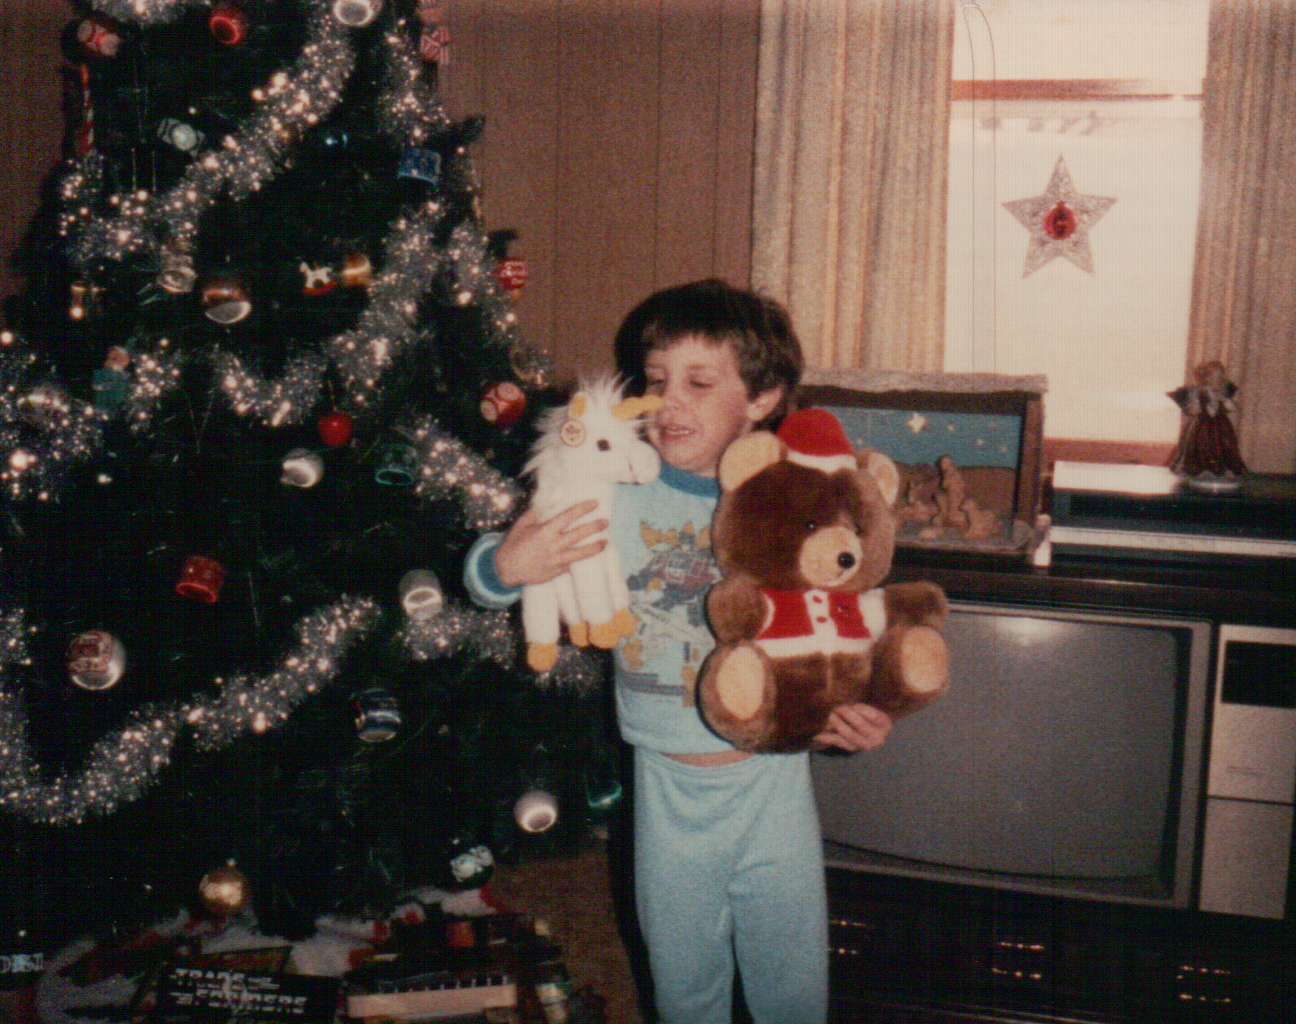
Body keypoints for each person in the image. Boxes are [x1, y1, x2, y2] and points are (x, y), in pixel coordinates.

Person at [463, 279, 893, 1023]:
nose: (668, 402)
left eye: (699, 382)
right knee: (685, 985)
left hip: (773, 786)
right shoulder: (613, 489)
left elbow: (846, 619)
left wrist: (859, 710)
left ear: (762, 398)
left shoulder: (795, 498)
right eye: (657, 380)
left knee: (792, 986)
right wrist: (506, 566)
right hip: (665, 791)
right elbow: (486, 575)